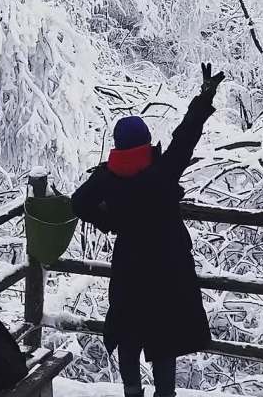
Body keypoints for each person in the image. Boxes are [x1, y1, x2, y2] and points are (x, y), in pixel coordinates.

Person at [71, 64, 225, 397]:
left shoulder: (106, 178)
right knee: (164, 339)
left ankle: (132, 392)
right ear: (145, 143)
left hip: (130, 269)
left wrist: (110, 221)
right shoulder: (163, 171)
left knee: (128, 334)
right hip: (168, 269)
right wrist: (204, 97)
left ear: (117, 146)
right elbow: (186, 135)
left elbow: (78, 204)